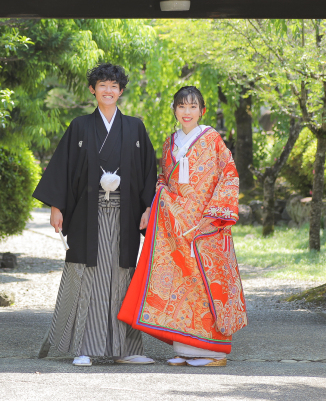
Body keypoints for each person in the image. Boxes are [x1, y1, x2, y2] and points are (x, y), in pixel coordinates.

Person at [33, 63, 157, 366]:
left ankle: (126, 349)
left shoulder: (135, 127)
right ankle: (85, 348)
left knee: (121, 276)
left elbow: (148, 173)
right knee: (88, 276)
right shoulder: (79, 126)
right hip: (88, 216)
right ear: (93, 89)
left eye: (114, 86)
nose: (109, 90)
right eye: (103, 85)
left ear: (121, 91)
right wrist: (55, 206)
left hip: (125, 216)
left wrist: (148, 209)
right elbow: (62, 168)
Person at [118, 86, 246, 367]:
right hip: (176, 223)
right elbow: (163, 178)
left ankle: (213, 353)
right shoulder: (169, 143)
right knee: (181, 283)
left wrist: (213, 215)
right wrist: (156, 202)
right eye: (181, 106)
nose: (187, 112)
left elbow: (229, 174)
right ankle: (186, 349)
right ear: (174, 110)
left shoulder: (212, 140)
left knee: (204, 284)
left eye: (192, 107)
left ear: (202, 111)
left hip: (205, 224)